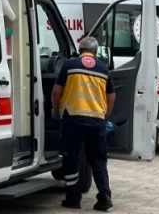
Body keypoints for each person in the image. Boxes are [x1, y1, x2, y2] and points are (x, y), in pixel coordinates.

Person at [52, 36, 115, 211]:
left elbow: (56, 92)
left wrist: (56, 111)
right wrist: (105, 116)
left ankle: (73, 199)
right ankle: (104, 196)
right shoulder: (103, 69)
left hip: (72, 119)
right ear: (95, 52)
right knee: (98, 161)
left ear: (80, 51)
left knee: (71, 159)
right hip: (96, 121)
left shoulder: (69, 65)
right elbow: (111, 98)